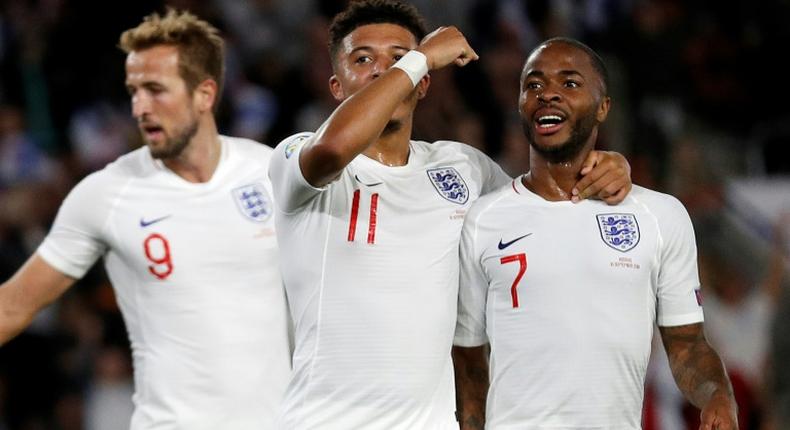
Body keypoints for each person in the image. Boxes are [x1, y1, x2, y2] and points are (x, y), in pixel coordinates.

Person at [268, 1, 632, 428]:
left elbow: (546, 205)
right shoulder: (296, 157)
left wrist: (606, 164)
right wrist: (420, 58)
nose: (383, 71)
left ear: (422, 86)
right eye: (363, 59)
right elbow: (331, 148)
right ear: (336, 85)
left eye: (398, 59)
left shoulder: (462, 167)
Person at [0, 9, 291, 430]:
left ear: (205, 94)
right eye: (133, 91)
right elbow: (12, 306)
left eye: (156, 90)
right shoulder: (105, 195)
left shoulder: (270, 172)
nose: (139, 107)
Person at [452, 37, 738, 429]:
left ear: (603, 107)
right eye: (533, 85)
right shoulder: (484, 218)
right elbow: (469, 359)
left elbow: (686, 344)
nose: (548, 93)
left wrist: (718, 395)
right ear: (519, 104)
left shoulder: (659, 215)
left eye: (569, 83)